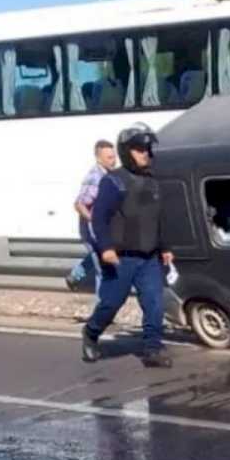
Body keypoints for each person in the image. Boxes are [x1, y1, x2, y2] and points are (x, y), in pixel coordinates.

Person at [82, 124, 175, 368]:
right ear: (126, 152)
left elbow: (159, 217)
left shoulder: (154, 182)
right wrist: (106, 248)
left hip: (149, 258)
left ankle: (153, 348)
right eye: (139, 149)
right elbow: (99, 218)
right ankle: (91, 334)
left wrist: (165, 247)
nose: (145, 153)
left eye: (147, 148)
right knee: (112, 303)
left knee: (154, 303)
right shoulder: (114, 182)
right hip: (121, 257)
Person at [65, 140, 117, 291]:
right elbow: (79, 204)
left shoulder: (109, 174)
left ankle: (74, 276)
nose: (113, 161)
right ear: (98, 158)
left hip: (102, 230)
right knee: (102, 270)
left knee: (97, 256)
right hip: (92, 232)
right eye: (109, 158)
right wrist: (95, 221)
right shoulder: (95, 178)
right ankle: (102, 312)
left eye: (114, 157)